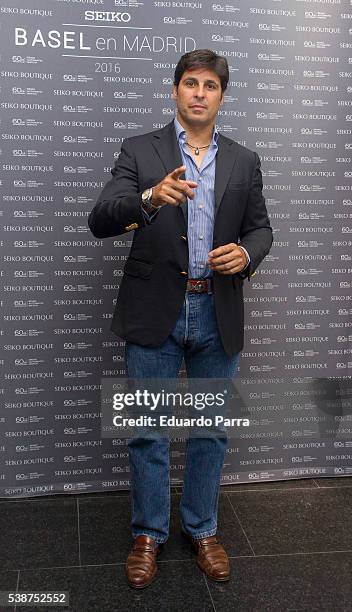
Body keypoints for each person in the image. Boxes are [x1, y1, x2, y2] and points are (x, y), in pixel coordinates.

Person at [88, 49, 273, 589]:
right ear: (175, 90)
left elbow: (262, 230)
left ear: (221, 95)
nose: (198, 92)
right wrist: (148, 197)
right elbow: (101, 219)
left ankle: (203, 529)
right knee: (148, 430)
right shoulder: (139, 150)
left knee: (210, 431)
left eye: (209, 85)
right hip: (154, 314)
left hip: (218, 311)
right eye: (189, 83)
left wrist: (247, 254)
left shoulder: (243, 159)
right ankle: (148, 533)